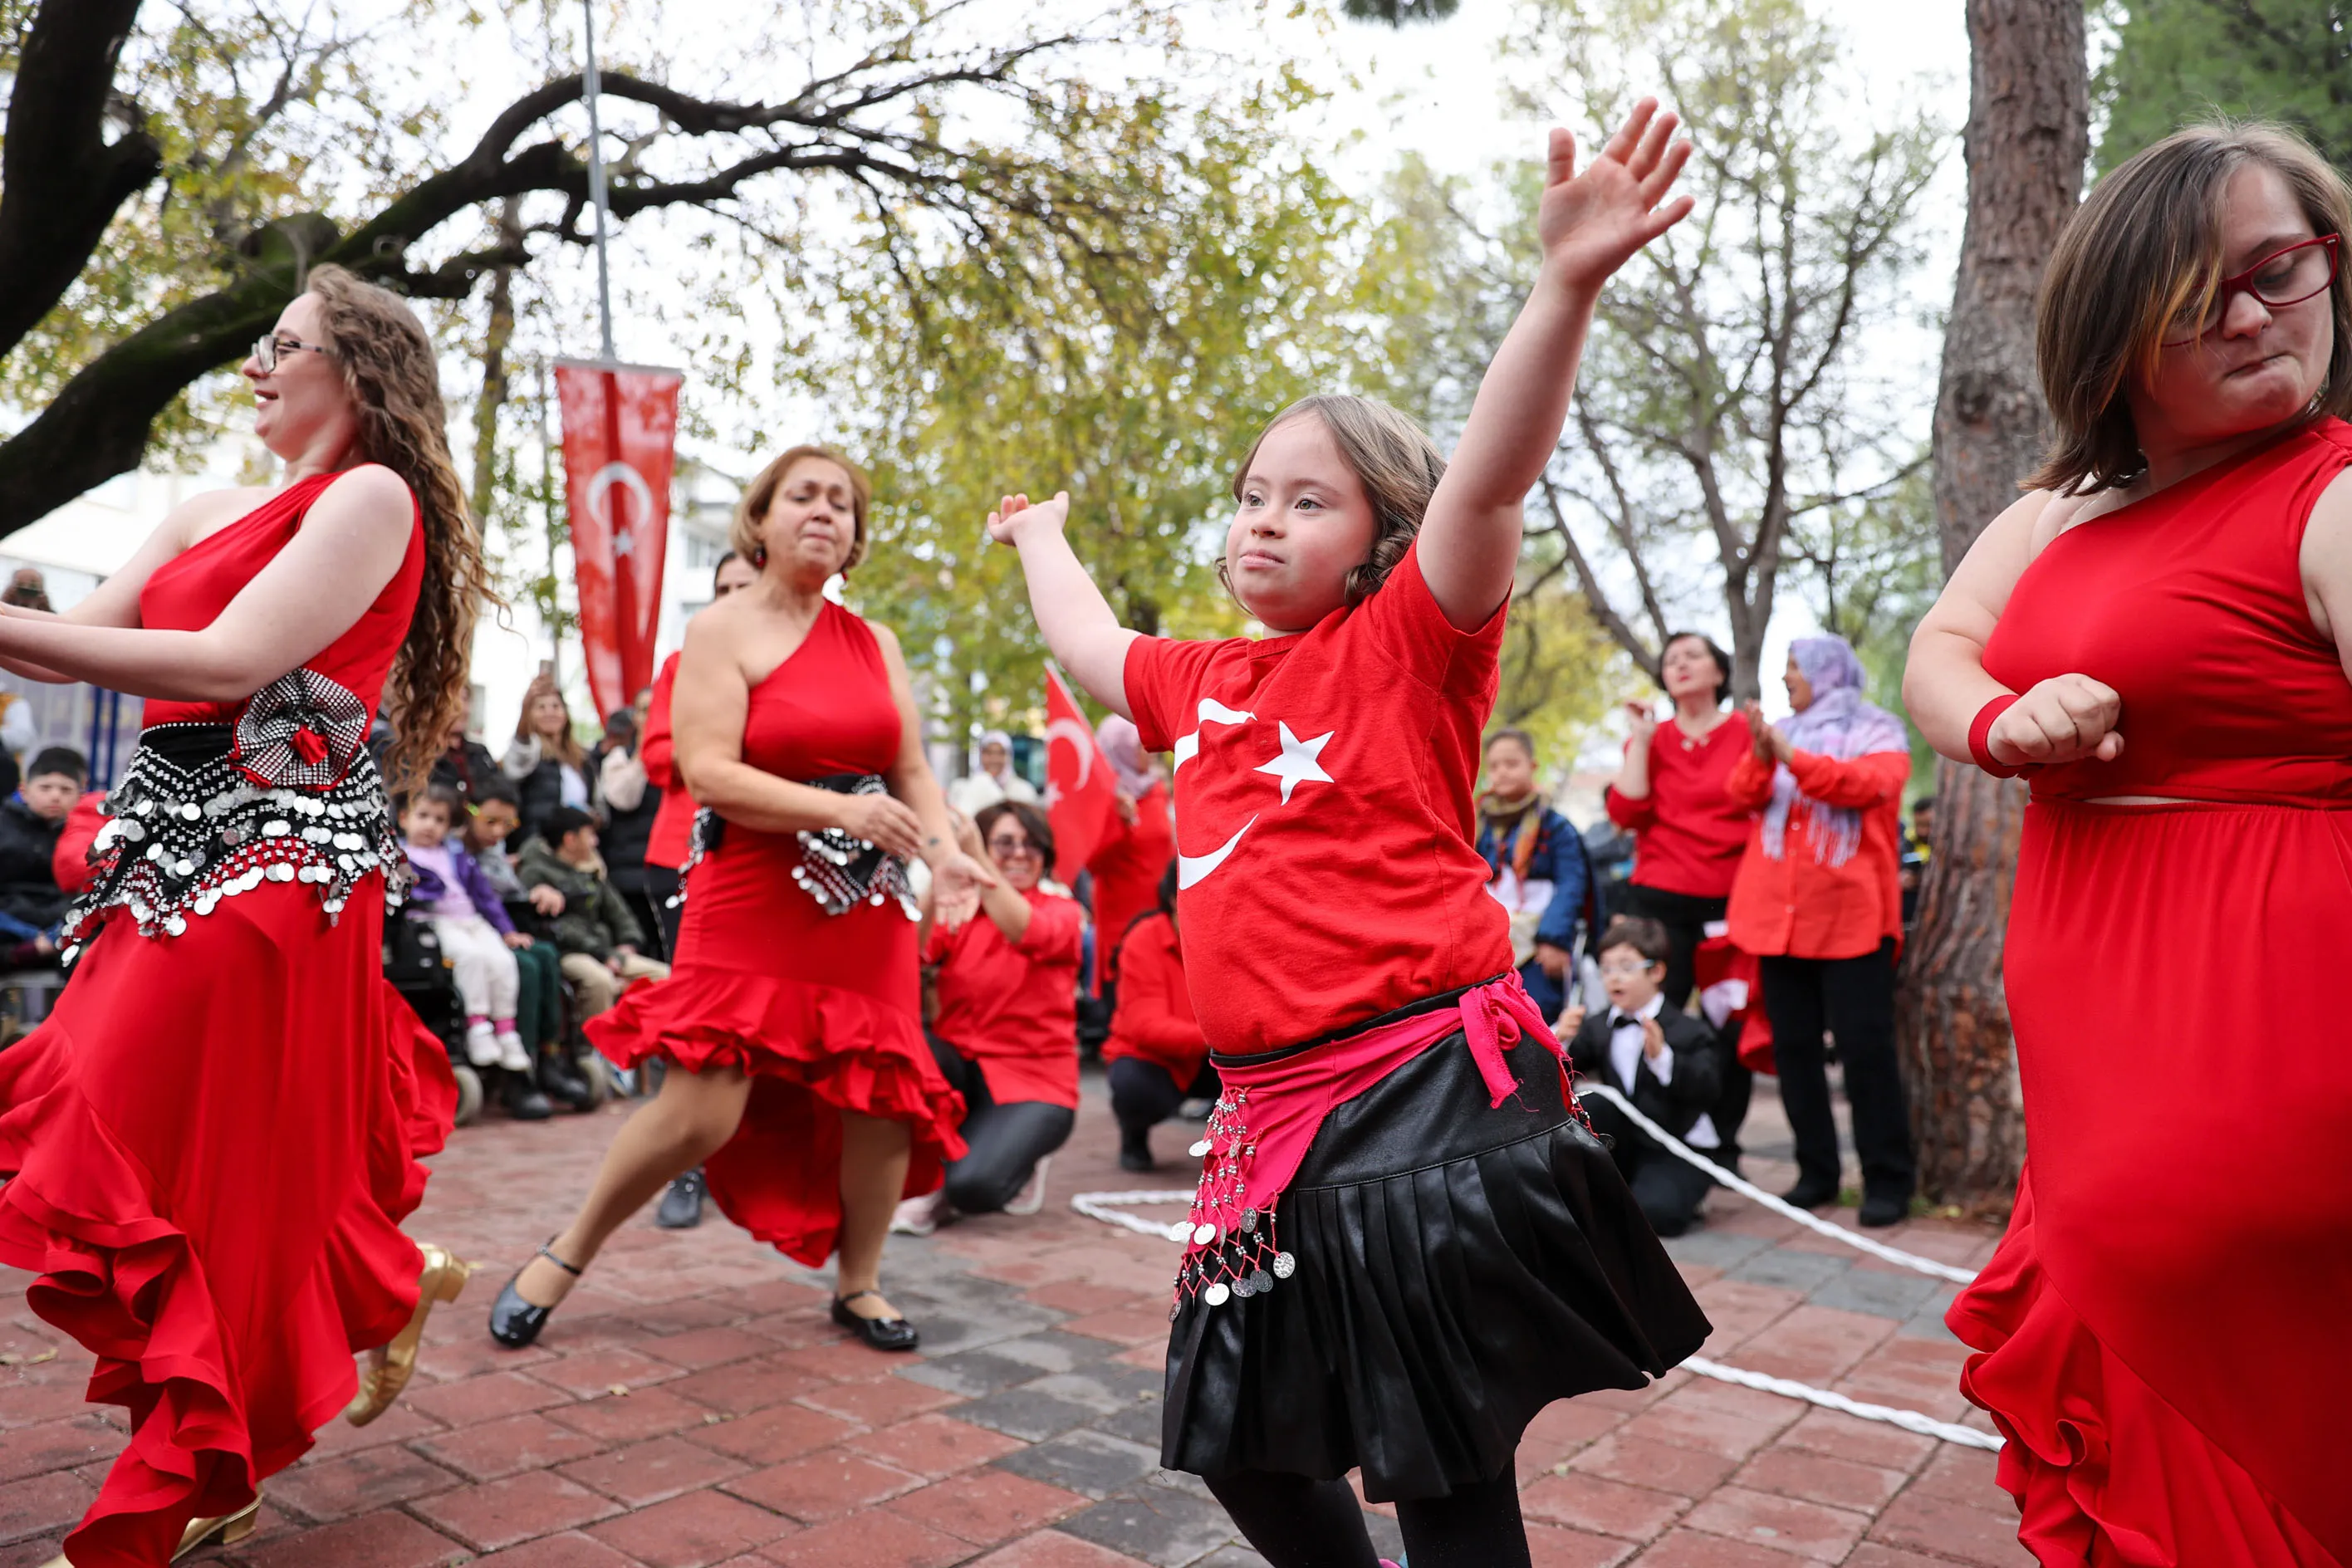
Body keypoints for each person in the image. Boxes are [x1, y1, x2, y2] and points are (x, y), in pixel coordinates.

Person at [986, 103, 1707, 1568]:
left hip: (1418, 1101)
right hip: (1261, 1121)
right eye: (1250, 495)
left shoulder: (1411, 643)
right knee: (1239, 1437)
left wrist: (1561, 286)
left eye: (1306, 500)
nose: (1260, 520)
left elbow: (1493, 479)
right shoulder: (1200, 679)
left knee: (1440, 1460)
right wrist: (1040, 533)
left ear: (1383, 533)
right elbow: (1081, 639)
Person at [1904, 123, 2352, 1563]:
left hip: (2256, 1046)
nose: (2253, 313)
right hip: (2099, 1069)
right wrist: (1999, 722)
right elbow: (1941, 647)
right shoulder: (2057, 510)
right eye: (2197, 292)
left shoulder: (2331, 492)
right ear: (2112, 331)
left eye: (2280, 267)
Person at [0, 265, 481, 1564]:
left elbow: (230, 667)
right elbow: (70, 639)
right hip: (161, 857)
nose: (257, 365)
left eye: (286, 345)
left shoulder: (370, 498)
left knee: (158, 1136)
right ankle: (357, 1314)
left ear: (361, 372)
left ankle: (194, 1468)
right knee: (173, 1159)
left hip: (278, 865)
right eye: (260, 346)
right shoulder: (202, 506)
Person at [488, 443, 993, 1358]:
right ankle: (568, 1250)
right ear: (759, 520)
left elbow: (913, 769)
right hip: (751, 887)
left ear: (855, 540)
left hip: (865, 900)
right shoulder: (721, 630)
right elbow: (710, 773)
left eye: (843, 503)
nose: (825, 512)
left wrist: (949, 852)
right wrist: (849, 806)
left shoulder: (875, 642)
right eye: (804, 495)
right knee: (701, 1108)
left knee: (881, 1098)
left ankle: (860, 1283)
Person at [1722, 635, 1911, 1227]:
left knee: (1865, 1053)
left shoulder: (1879, 731)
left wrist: (1789, 756)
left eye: (1795, 668)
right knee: (1795, 1051)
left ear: (1829, 672)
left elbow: (1865, 787)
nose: (1785, 679)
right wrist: (1761, 753)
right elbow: (1741, 796)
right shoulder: (1781, 732)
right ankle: (1817, 1173)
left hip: (1852, 920)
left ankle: (1887, 1180)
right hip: (1778, 921)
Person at [640, 549, 762, 1229]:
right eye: (720, 588)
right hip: (683, 856)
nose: (729, 597)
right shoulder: (681, 667)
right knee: (694, 1016)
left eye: (743, 585)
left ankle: (745, 1153)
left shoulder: (791, 663)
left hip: (766, 860)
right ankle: (684, 1165)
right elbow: (659, 755)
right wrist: (729, 754)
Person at [1603, 631, 1757, 1162]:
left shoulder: (1747, 733)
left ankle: (1724, 1148)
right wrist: (1642, 739)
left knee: (1726, 1025)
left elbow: (1761, 800)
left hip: (1730, 903)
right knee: (1654, 1016)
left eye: (1694, 655)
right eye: (1671, 660)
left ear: (1719, 671)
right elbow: (1625, 813)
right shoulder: (1652, 738)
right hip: (1659, 902)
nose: (1681, 665)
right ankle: (1646, 1147)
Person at [894, 801, 1083, 1232]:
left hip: (1034, 1082)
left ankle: (1009, 1157)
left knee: (974, 1189)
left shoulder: (1063, 911)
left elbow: (1025, 931)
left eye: (1031, 844)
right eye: (1005, 843)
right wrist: (939, 877)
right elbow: (907, 959)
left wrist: (977, 858)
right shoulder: (962, 910)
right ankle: (937, 1165)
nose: (1019, 853)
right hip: (962, 1068)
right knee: (901, 1045)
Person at [1561, 917, 1723, 1238]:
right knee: (1594, 1102)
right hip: (1623, 1142)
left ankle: (1683, 1192)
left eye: (1625, 967)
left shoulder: (1688, 1029)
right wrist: (1558, 1039)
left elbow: (1709, 1088)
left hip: (1676, 1143)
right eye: (1606, 969)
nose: (1613, 978)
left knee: (1655, 1216)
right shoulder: (1596, 1026)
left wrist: (1663, 1059)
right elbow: (1564, 1072)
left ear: (1657, 972)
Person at [458, 778, 581, 1100]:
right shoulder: (454, 851)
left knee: (546, 955)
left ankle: (548, 1058)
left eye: (508, 824)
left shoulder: (496, 853)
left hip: (506, 928)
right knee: (525, 965)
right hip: (472, 935)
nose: (499, 832)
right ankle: (518, 1073)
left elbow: (512, 893)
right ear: (468, 812)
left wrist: (536, 893)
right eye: (491, 821)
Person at [1472, 726, 1594, 1022]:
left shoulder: (1556, 826)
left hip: (1537, 943)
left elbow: (1571, 883)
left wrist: (1554, 939)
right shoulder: (1478, 823)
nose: (1502, 773)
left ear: (1533, 766)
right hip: (1489, 938)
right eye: (1494, 766)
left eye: (1511, 764)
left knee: (1534, 1013)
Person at [1101, 861, 1213, 1171]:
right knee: (1135, 1088)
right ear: (1172, 897)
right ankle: (1134, 1134)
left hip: (1214, 1055)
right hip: (1157, 1057)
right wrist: (1223, 1037)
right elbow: (1145, 1027)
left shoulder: (1232, 934)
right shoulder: (1143, 939)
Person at [517, 806, 668, 1019]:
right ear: (570, 839)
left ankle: (650, 1043)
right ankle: (595, 1049)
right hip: (568, 952)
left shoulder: (589, 869)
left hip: (604, 950)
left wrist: (629, 942)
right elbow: (554, 928)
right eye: (590, 835)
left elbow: (619, 912)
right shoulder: (535, 873)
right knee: (600, 981)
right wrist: (603, 954)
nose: (595, 842)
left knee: (665, 977)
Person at [1085, 713, 1175, 1002]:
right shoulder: (1103, 797)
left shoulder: (1155, 791)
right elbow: (1092, 863)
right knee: (1129, 999)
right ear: (1119, 749)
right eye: (1138, 746)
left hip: (1162, 912)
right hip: (1123, 919)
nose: (1147, 751)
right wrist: (1118, 825)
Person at [0, 747, 87, 960]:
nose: (55, 796)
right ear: (24, 790)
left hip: (64, 925)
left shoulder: (88, 835)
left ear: (80, 795)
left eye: (66, 790)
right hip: (10, 921)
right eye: (45, 788)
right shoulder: (4, 826)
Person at [595, 707, 664, 953]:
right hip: (628, 874)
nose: (650, 715)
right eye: (644, 709)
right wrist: (644, 752)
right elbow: (623, 798)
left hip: (668, 872)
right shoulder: (620, 757)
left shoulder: (680, 754)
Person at [502, 673, 596, 846]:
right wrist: (525, 707)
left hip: (575, 848)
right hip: (538, 847)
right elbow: (518, 753)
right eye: (541, 707)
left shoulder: (582, 759)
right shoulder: (530, 751)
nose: (549, 712)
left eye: (555, 706)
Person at [945, 728, 1038, 816]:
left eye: (1001, 753)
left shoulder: (1024, 791)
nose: (994, 759)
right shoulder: (960, 788)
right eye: (988, 753)